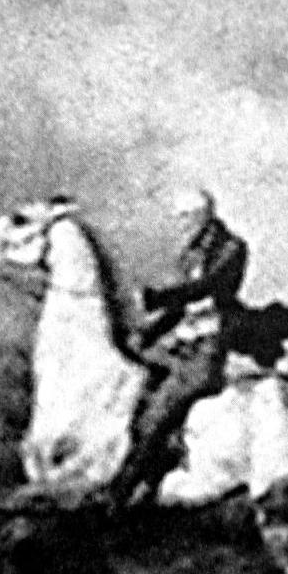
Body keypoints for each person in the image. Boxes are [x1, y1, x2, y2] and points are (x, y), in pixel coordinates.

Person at [102, 186, 249, 512]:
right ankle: (151, 475)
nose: (180, 224)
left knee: (161, 411)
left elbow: (206, 288)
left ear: (201, 216)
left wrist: (158, 297)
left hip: (208, 350)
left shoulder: (231, 249)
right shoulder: (189, 255)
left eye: (184, 217)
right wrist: (148, 334)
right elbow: (180, 309)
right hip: (183, 347)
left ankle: (118, 496)